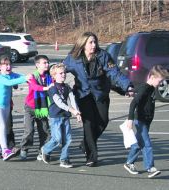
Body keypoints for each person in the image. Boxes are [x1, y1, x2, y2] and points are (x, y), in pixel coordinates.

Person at [63, 32, 133, 167]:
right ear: (83, 44)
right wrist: (45, 77)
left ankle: (85, 143)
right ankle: (91, 156)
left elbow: (115, 73)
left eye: (95, 42)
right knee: (88, 125)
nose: (94, 45)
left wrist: (128, 86)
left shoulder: (103, 56)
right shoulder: (73, 58)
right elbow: (59, 70)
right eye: (90, 42)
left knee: (103, 121)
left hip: (100, 93)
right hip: (83, 95)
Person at [123, 65, 168, 178]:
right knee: (147, 145)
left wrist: (131, 91)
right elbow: (134, 103)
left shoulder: (150, 87)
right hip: (140, 120)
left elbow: (136, 89)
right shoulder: (145, 88)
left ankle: (129, 163)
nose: (160, 83)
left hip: (146, 120)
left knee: (139, 143)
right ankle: (150, 168)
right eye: (159, 80)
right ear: (152, 77)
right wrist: (130, 119)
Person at [0, 55, 31, 161]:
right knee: (2, 125)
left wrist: (29, 77)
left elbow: (19, 76)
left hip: (6, 105)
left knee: (0, 127)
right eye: (5, 65)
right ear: (0, 66)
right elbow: (9, 83)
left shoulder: (11, 74)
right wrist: (25, 78)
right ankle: (5, 150)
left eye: (9, 64)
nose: (8, 67)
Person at [41, 63, 82, 168]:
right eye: (60, 73)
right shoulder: (52, 88)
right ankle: (45, 150)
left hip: (65, 116)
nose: (63, 75)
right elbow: (58, 102)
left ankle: (64, 160)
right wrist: (71, 110)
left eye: (64, 72)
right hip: (55, 116)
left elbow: (72, 100)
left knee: (67, 139)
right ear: (54, 76)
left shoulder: (67, 87)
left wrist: (77, 112)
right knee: (57, 138)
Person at [16, 55, 53, 160]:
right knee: (29, 130)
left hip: (42, 107)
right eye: (44, 63)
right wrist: (46, 88)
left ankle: (42, 150)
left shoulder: (49, 77)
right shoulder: (32, 76)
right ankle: (24, 149)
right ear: (37, 65)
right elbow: (35, 87)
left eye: (47, 62)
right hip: (30, 107)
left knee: (44, 130)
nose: (47, 64)